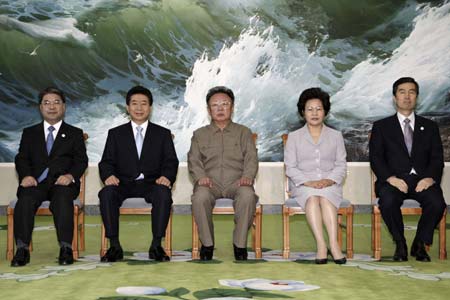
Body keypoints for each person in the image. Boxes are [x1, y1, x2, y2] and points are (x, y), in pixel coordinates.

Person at [98, 85, 178, 262]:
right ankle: (114, 246)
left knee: (163, 194)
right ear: (127, 107)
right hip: (123, 183)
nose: (139, 108)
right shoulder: (116, 134)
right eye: (134, 103)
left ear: (150, 107)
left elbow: (171, 161)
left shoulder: (162, 134)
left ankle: (156, 245)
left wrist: (167, 176)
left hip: (152, 183)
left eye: (144, 104)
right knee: (106, 193)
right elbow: (106, 162)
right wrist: (108, 175)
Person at [369, 77, 446, 262]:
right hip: (393, 180)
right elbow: (376, 158)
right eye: (402, 92)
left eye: (411, 92)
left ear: (417, 97)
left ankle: (419, 244)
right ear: (395, 97)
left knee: (437, 203)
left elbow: (437, 158)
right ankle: (400, 243)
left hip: (422, 180)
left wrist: (429, 178)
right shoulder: (381, 126)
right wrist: (390, 178)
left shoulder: (430, 126)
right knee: (387, 201)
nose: (407, 96)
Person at [12, 87, 88, 267]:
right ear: (40, 107)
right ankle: (22, 249)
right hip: (36, 183)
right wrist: (26, 176)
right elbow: (21, 158)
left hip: (61, 183)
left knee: (62, 199)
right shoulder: (29, 133)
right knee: (25, 199)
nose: (51, 106)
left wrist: (70, 176)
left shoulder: (74, 133)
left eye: (56, 102)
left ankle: (66, 248)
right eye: (47, 102)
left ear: (64, 107)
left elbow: (81, 161)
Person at [188, 86, 258, 261]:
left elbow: (251, 158)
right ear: (208, 109)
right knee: (199, 197)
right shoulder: (199, 134)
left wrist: (247, 176)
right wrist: (200, 178)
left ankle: (240, 245)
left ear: (232, 107)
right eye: (215, 105)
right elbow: (194, 160)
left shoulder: (243, 132)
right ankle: (207, 244)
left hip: (237, 181)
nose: (220, 109)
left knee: (248, 196)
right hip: (209, 182)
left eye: (225, 104)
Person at [284, 87, 347, 264]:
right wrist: (308, 182)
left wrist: (329, 180)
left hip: (330, 184)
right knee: (312, 199)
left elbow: (341, 164)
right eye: (309, 109)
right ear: (303, 112)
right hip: (303, 185)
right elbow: (290, 167)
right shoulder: (294, 137)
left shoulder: (336, 136)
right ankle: (321, 245)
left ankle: (334, 246)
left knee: (325, 199)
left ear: (325, 112)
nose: (314, 113)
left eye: (318, 109)